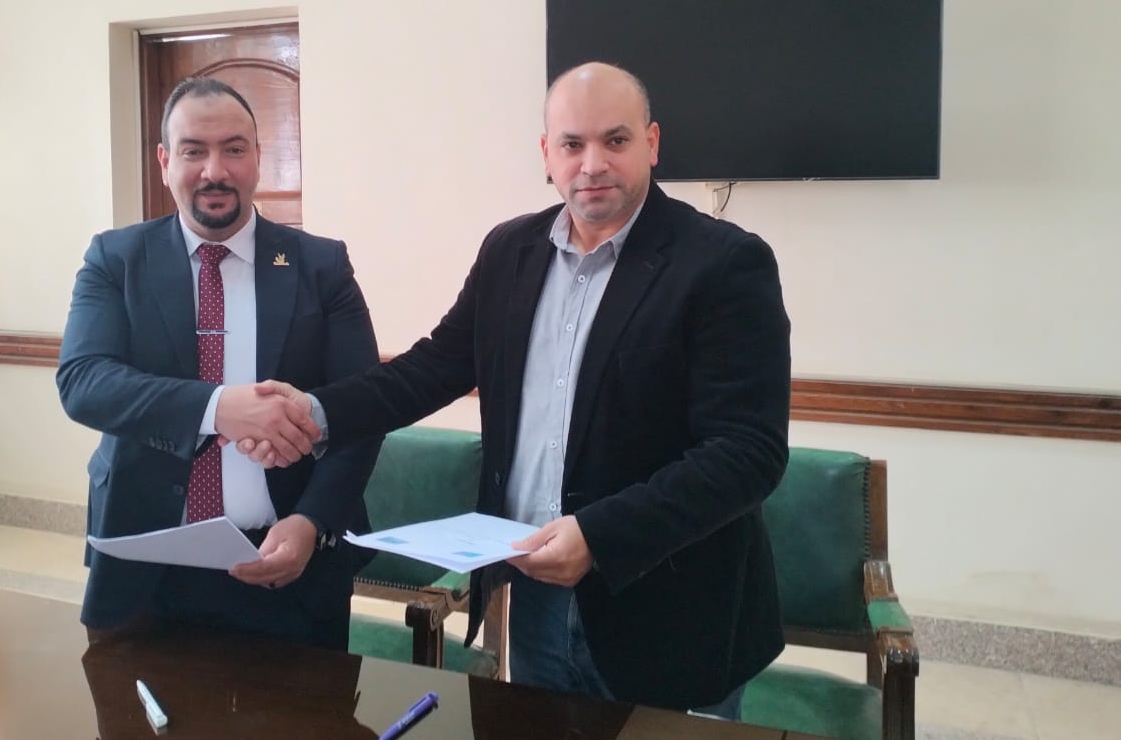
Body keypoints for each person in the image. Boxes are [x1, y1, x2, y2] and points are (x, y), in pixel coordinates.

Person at [246, 62, 792, 716]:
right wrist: (317, 410)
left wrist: (600, 535)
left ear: (651, 143)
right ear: (546, 153)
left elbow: (747, 452)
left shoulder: (724, 262)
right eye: (572, 143)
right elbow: (433, 366)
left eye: (615, 140)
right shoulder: (511, 250)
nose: (592, 163)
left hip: (672, 607)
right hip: (535, 592)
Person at [56, 76, 381, 649]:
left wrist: (312, 521)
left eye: (233, 149)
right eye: (193, 151)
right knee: (131, 702)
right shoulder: (116, 259)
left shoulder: (321, 266)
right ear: (165, 162)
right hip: (143, 561)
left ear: (258, 158)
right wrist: (217, 408)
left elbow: (363, 410)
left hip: (290, 562)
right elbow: (84, 381)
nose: (215, 171)